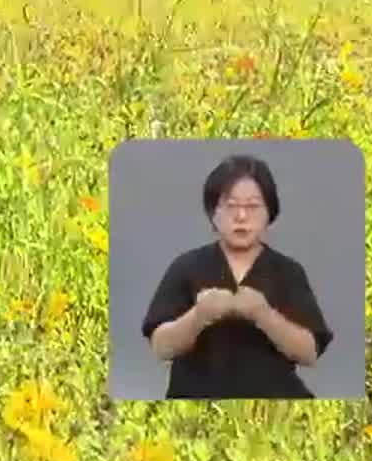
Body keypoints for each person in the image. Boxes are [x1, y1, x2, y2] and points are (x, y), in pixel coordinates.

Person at [140, 154, 333, 399]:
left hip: (272, 406)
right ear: (213, 213)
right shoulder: (186, 266)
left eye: (252, 206)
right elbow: (161, 347)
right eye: (230, 206)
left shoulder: (287, 271)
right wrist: (199, 316)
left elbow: (309, 353)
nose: (241, 217)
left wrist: (263, 314)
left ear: (269, 213)